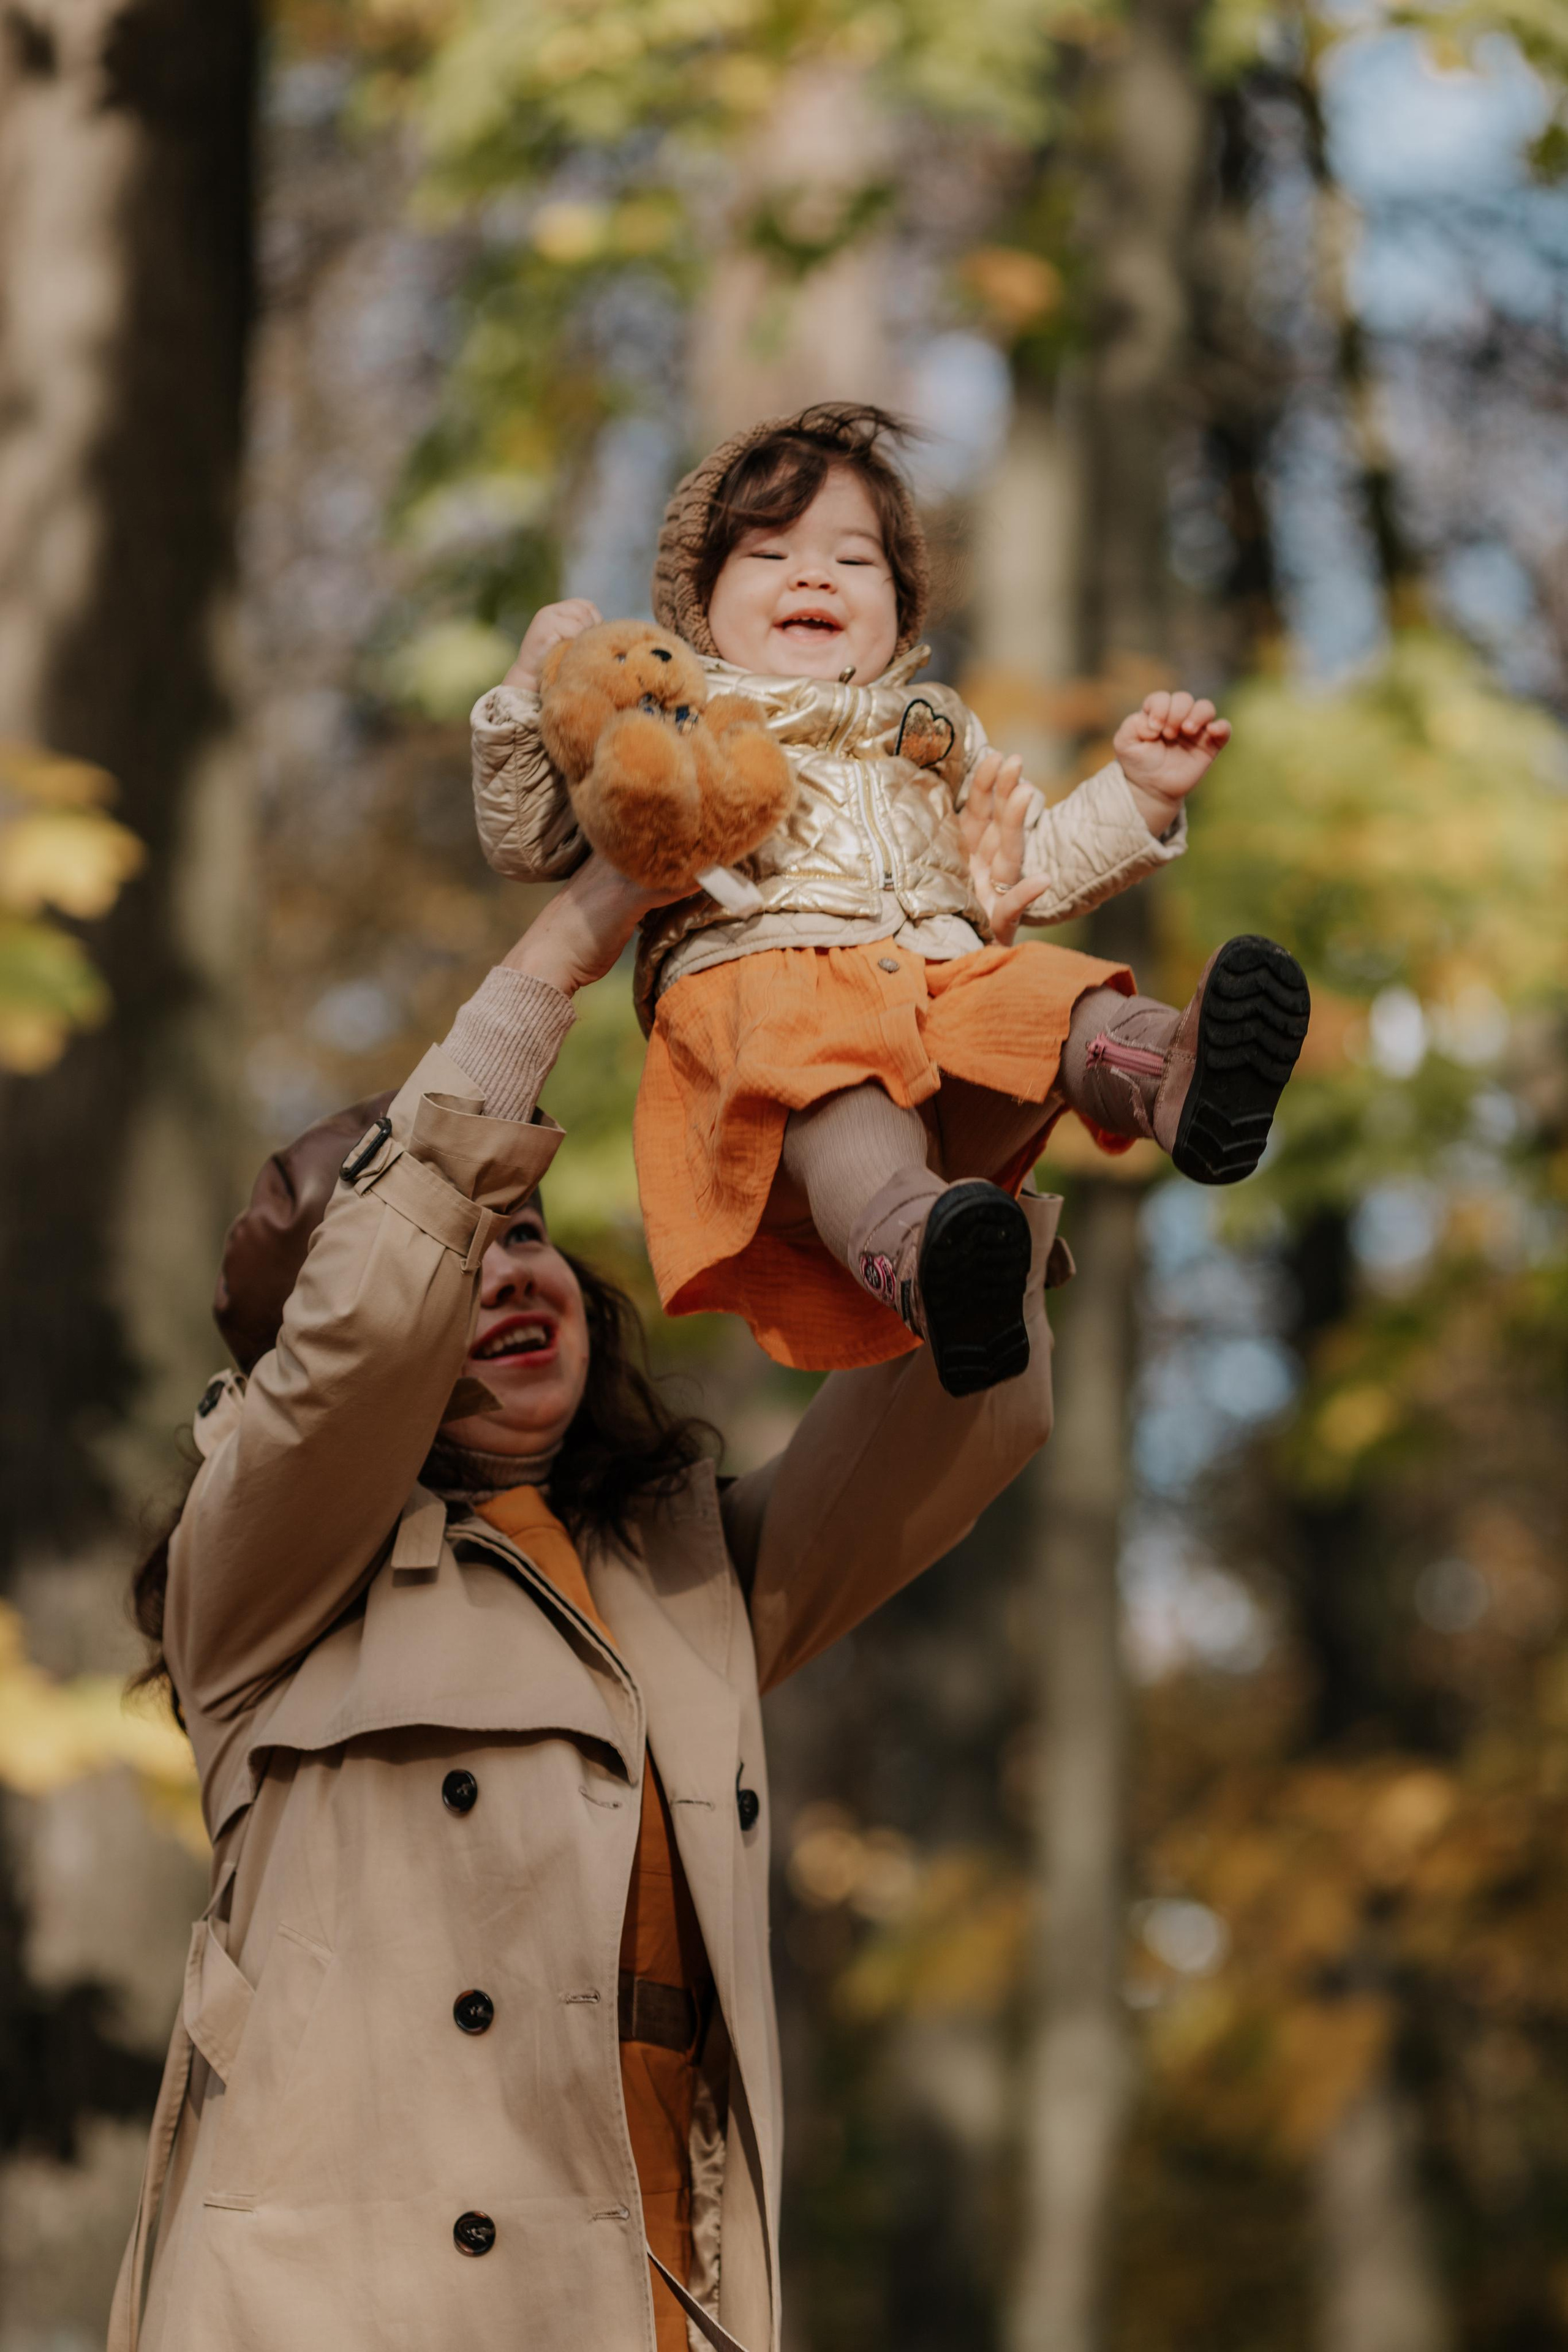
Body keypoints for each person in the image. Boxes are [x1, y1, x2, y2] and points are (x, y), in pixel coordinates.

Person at [112, 851, 1065, 2352]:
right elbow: (357, 1348)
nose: (509, 1275)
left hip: (644, 2295)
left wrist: (949, 1022)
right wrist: (570, 940)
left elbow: (952, 1405)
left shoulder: (680, 1572)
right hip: (338, 2310)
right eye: (465, 1251)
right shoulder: (261, 1589)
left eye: (536, 1237)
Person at [472, 404, 1310, 1399]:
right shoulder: (676, 720)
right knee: (842, 1103)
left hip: (935, 980)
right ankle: (932, 1263)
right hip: (764, 1002)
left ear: (901, 611)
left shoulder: (933, 731)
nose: (814, 575)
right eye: (771, 552)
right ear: (699, 606)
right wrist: (528, 694)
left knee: (1049, 994)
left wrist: (1139, 795)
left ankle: (1176, 1079)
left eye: (854, 560)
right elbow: (533, 838)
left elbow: (1033, 860)